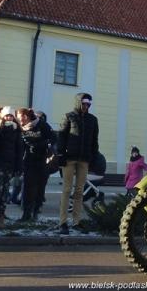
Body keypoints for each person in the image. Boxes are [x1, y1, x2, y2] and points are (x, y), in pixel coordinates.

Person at [57, 93, 99, 235]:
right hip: (69, 158)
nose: (86, 106)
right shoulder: (69, 116)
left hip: (84, 159)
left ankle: (76, 221)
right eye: (84, 103)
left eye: (88, 104)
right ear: (78, 103)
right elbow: (61, 136)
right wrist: (60, 154)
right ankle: (63, 222)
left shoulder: (93, 120)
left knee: (79, 191)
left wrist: (93, 158)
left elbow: (94, 141)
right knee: (67, 190)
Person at [0, 106, 23, 229]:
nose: (8, 118)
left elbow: (19, 149)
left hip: (9, 165)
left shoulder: (16, 129)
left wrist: (18, 166)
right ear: (2, 116)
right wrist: (0, 129)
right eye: (7, 115)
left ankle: (1, 216)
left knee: (4, 192)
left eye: (11, 116)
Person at [17, 108, 52, 221]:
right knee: (27, 188)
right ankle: (26, 214)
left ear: (27, 116)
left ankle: (36, 212)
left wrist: (39, 145)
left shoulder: (43, 126)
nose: (19, 119)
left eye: (21, 116)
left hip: (42, 161)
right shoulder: (21, 128)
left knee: (39, 188)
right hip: (27, 161)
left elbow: (53, 140)